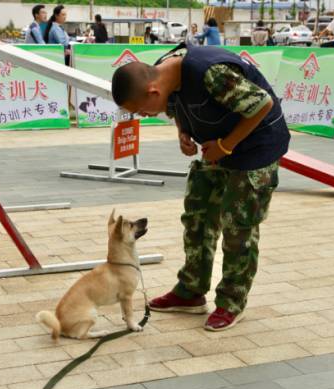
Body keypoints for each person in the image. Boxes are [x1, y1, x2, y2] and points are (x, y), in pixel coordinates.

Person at [111, 43, 290, 331]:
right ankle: (191, 291)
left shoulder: (212, 74)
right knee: (198, 216)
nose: (143, 116)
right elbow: (175, 106)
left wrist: (225, 145)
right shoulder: (162, 72)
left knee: (238, 227)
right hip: (215, 147)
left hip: (256, 146)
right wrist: (183, 131)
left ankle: (232, 302)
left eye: (141, 110)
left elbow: (262, 104)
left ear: (152, 92)